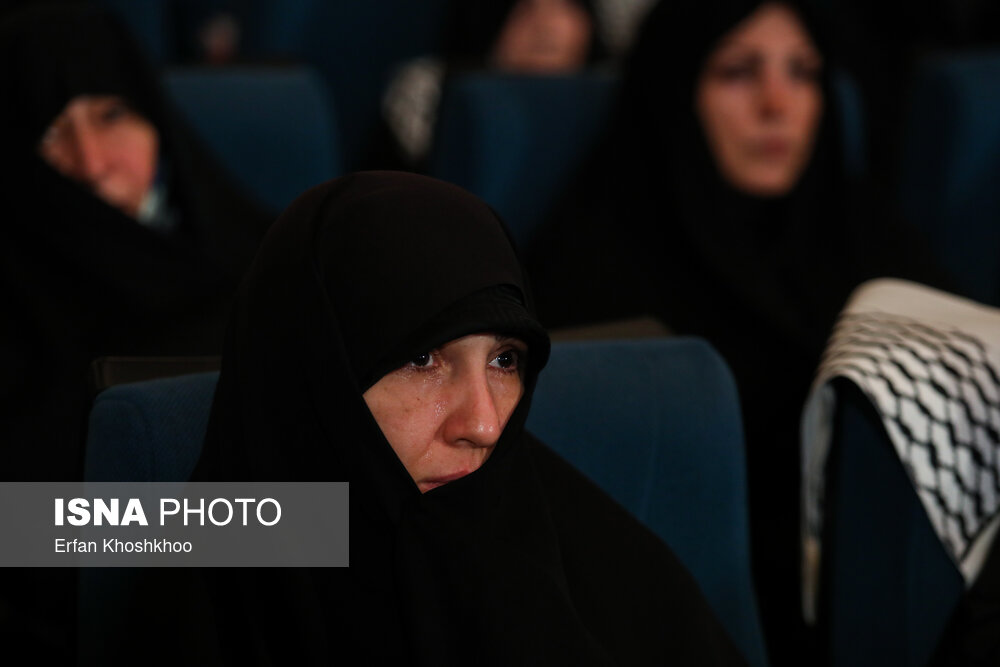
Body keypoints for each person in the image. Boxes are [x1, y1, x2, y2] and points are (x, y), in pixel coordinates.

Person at [527, 1, 949, 663]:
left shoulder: (869, 242)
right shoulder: (595, 276)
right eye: (738, 72)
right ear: (676, 91)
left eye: (803, 72)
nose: (777, 103)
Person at [192, 171, 747, 664]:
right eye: (422, 359)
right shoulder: (195, 539)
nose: (484, 426)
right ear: (314, 374)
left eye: (504, 360)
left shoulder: (598, 557)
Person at [0, 2, 271, 482]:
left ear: (156, 119)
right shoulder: (19, 323)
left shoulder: (277, 266)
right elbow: (23, 519)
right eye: (50, 131)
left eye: (111, 115)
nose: (91, 163)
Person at [369, 0, 606, 170]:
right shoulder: (430, 89)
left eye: (565, 5)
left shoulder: (607, 105)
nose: (545, 26)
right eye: (525, 7)